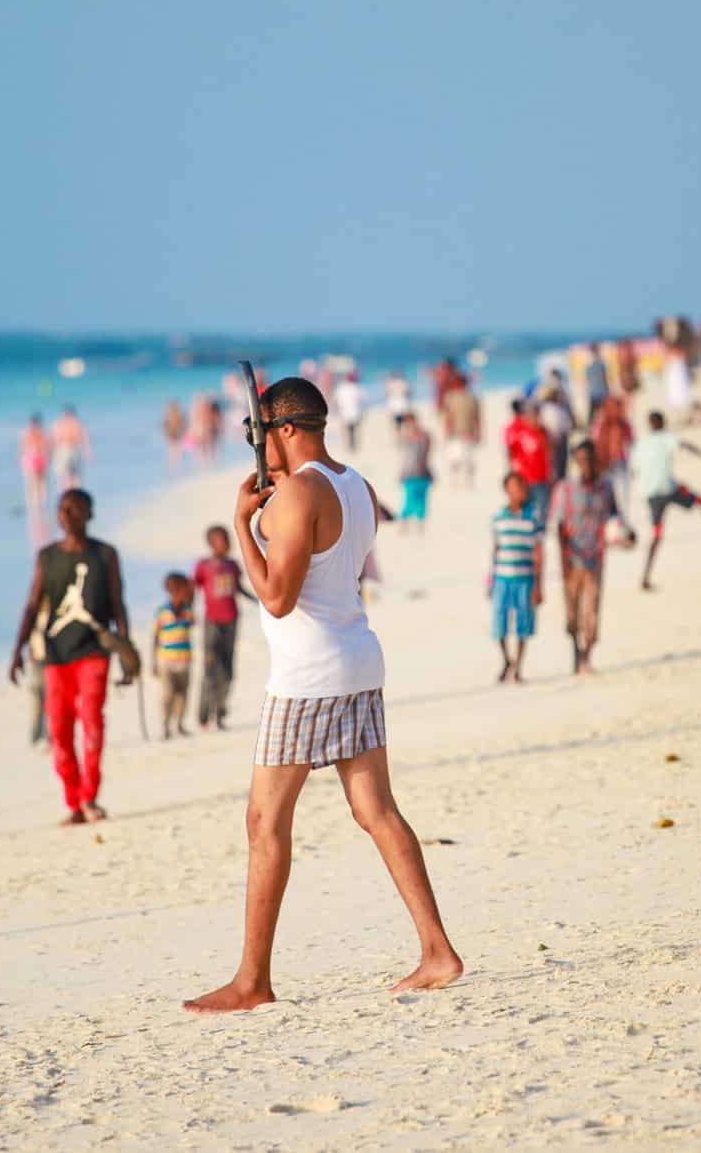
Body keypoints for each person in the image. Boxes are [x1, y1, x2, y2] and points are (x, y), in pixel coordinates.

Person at [185, 376, 461, 1013]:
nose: (257, 448)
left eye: (259, 433)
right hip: (359, 661)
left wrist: (243, 527)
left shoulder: (300, 491)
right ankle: (437, 950)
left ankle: (252, 980)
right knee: (376, 811)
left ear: (283, 431)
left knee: (265, 822)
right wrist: (275, 514)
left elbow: (278, 599)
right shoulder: (355, 485)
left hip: (306, 679)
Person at [10, 487, 130, 825]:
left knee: (92, 723)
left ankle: (90, 796)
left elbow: (118, 602)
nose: (68, 515)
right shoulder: (47, 557)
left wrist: (125, 648)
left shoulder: (105, 554)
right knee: (59, 731)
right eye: (63, 510)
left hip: (94, 651)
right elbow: (33, 604)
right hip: (56, 655)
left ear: (89, 514)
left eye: (76, 509)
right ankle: (74, 802)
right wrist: (17, 649)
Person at [549, 441, 634, 675]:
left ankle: (586, 656)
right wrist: (563, 558)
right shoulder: (565, 488)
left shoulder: (606, 488)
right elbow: (558, 525)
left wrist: (628, 535)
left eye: (588, 459)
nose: (585, 464)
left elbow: (616, 517)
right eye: (581, 460)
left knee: (592, 610)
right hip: (571, 559)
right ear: (576, 462)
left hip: (595, 557)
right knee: (571, 613)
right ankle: (575, 652)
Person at [634, 411, 701, 591]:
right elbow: (687, 446)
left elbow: (636, 468)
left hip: (650, 493)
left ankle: (645, 577)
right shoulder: (666, 437)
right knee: (699, 500)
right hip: (667, 489)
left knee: (656, 534)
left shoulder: (641, 443)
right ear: (663, 423)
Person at [194, 525, 253, 730]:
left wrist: (258, 600)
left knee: (227, 671)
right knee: (210, 670)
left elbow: (238, 588)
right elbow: (193, 588)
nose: (226, 543)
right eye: (221, 539)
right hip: (212, 623)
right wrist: (187, 610)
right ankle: (203, 717)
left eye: (227, 538)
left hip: (232, 621)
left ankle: (220, 715)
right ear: (211, 543)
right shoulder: (203, 566)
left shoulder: (233, 565)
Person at [487, 472, 544, 684]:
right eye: (513, 487)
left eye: (520, 487)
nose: (517, 491)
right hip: (502, 577)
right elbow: (495, 550)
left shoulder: (533, 518)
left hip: (525, 578)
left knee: (523, 623)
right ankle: (506, 660)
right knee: (499, 622)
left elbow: (539, 553)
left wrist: (539, 584)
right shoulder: (499, 519)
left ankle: (518, 666)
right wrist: (490, 579)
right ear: (506, 490)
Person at [153, 574, 196, 739]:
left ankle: (179, 724)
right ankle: (165, 725)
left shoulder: (188, 611)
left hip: (184, 659)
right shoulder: (162, 612)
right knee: (168, 694)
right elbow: (155, 637)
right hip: (166, 660)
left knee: (183, 694)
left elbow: (192, 620)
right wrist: (154, 661)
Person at [504, 399, 554, 528]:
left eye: (536, 414)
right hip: (525, 479)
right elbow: (511, 453)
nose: (534, 418)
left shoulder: (544, 432)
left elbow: (549, 455)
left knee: (542, 512)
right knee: (525, 512)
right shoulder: (520, 432)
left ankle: (539, 536)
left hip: (542, 479)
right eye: (531, 415)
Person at [590, 394, 635, 515]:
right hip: (612, 462)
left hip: (609, 463)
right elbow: (631, 443)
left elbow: (594, 442)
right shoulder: (621, 423)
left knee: (611, 494)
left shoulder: (602, 422)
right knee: (620, 495)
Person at [440, 378, 481, 488]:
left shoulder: (469, 398)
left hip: (466, 433)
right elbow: (448, 416)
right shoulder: (453, 397)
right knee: (457, 460)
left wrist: (478, 431)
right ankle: (456, 482)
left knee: (466, 460)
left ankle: (466, 483)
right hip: (458, 433)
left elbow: (477, 417)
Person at [397, 414, 433, 531]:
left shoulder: (424, 436)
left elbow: (427, 453)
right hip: (409, 473)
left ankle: (419, 525)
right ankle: (405, 524)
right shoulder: (405, 437)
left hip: (422, 472)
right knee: (409, 498)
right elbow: (405, 458)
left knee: (421, 500)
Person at [21, 414, 51, 542]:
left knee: (32, 484)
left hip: (31, 457)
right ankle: (42, 505)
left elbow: (23, 448)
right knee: (41, 483)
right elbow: (47, 447)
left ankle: (34, 507)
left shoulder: (27, 433)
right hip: (40, 457)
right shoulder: (42, 433)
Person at [51, 407, 91, 492]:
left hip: (67, 450)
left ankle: (69, 496)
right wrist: (87, 451)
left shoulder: (60, 424)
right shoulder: (75, 424)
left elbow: (54, 440)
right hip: (69, 449)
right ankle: (72, 496)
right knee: (71, 477)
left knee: (68, 476)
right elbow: (84, 438)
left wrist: (86, 451)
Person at [332, 372, 366, 452]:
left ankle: (348, 445)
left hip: (345, 412)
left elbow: (336, 400)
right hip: (356, 412)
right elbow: (363, 401)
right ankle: (353, 445)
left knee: (346, 430)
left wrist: (336, 409)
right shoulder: (358, 388)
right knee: (354, 430)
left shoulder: (342, 388)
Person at [583, 342, 610, 417]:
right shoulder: (600, 363)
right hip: (600, 393)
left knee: (593, 415)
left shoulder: (589, 363)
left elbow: (587, 380)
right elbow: (605, 379)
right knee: (602, 414)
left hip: (595, 393)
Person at [162, 400, 188, 467]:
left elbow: (165, 426)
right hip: (174, 434)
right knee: (175, 450)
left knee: (174, 451)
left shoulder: (172, 416)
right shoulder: (172, 416)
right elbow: (165, 426)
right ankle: (175, 465)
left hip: (175, 434)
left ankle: (174, 465)